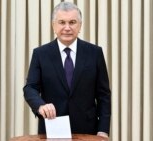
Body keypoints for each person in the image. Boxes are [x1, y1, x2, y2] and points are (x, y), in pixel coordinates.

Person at [23, 1, 111, 140]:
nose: (67, 28)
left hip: (88, 131)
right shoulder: (40, 54)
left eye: (72, 22)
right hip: (52, 129)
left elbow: (104, 95)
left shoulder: (95, 53)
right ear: (53, 25)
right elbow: (30, 88)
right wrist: (40, 106)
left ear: (80, 25)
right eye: (62, 22)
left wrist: (103, 131)